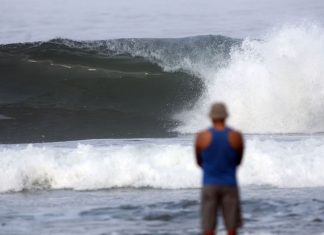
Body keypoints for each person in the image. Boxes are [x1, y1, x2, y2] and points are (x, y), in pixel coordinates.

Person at [195, 102, 244, 235]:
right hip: (230, 184)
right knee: (232, 228)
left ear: (211, 117)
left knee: (209, 228)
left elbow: (199, 162)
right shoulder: (236, 136)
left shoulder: (201, 137)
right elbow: (238, 161)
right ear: (225, 117)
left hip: (209, 184)